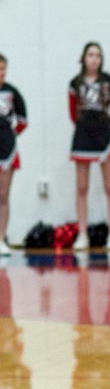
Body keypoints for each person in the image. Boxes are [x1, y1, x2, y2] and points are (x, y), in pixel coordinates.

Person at [69, 42, 110, 251]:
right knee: (82, 187)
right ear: (83, 58)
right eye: (90, 55)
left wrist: (103, 123)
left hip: (104, 137)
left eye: (98, 55)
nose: (94, 59)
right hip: (82, 136)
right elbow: (72, 112)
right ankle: (82, 234)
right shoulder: (75, 83)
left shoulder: (109, 81)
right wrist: (86, 124)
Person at [0, 54, 28, 255]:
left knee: (3, 195)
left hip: (7, 149)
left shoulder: (12, 92)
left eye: (3, 68)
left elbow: (23, 121)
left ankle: (1, 238)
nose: (1, 72)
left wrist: (11, 134)